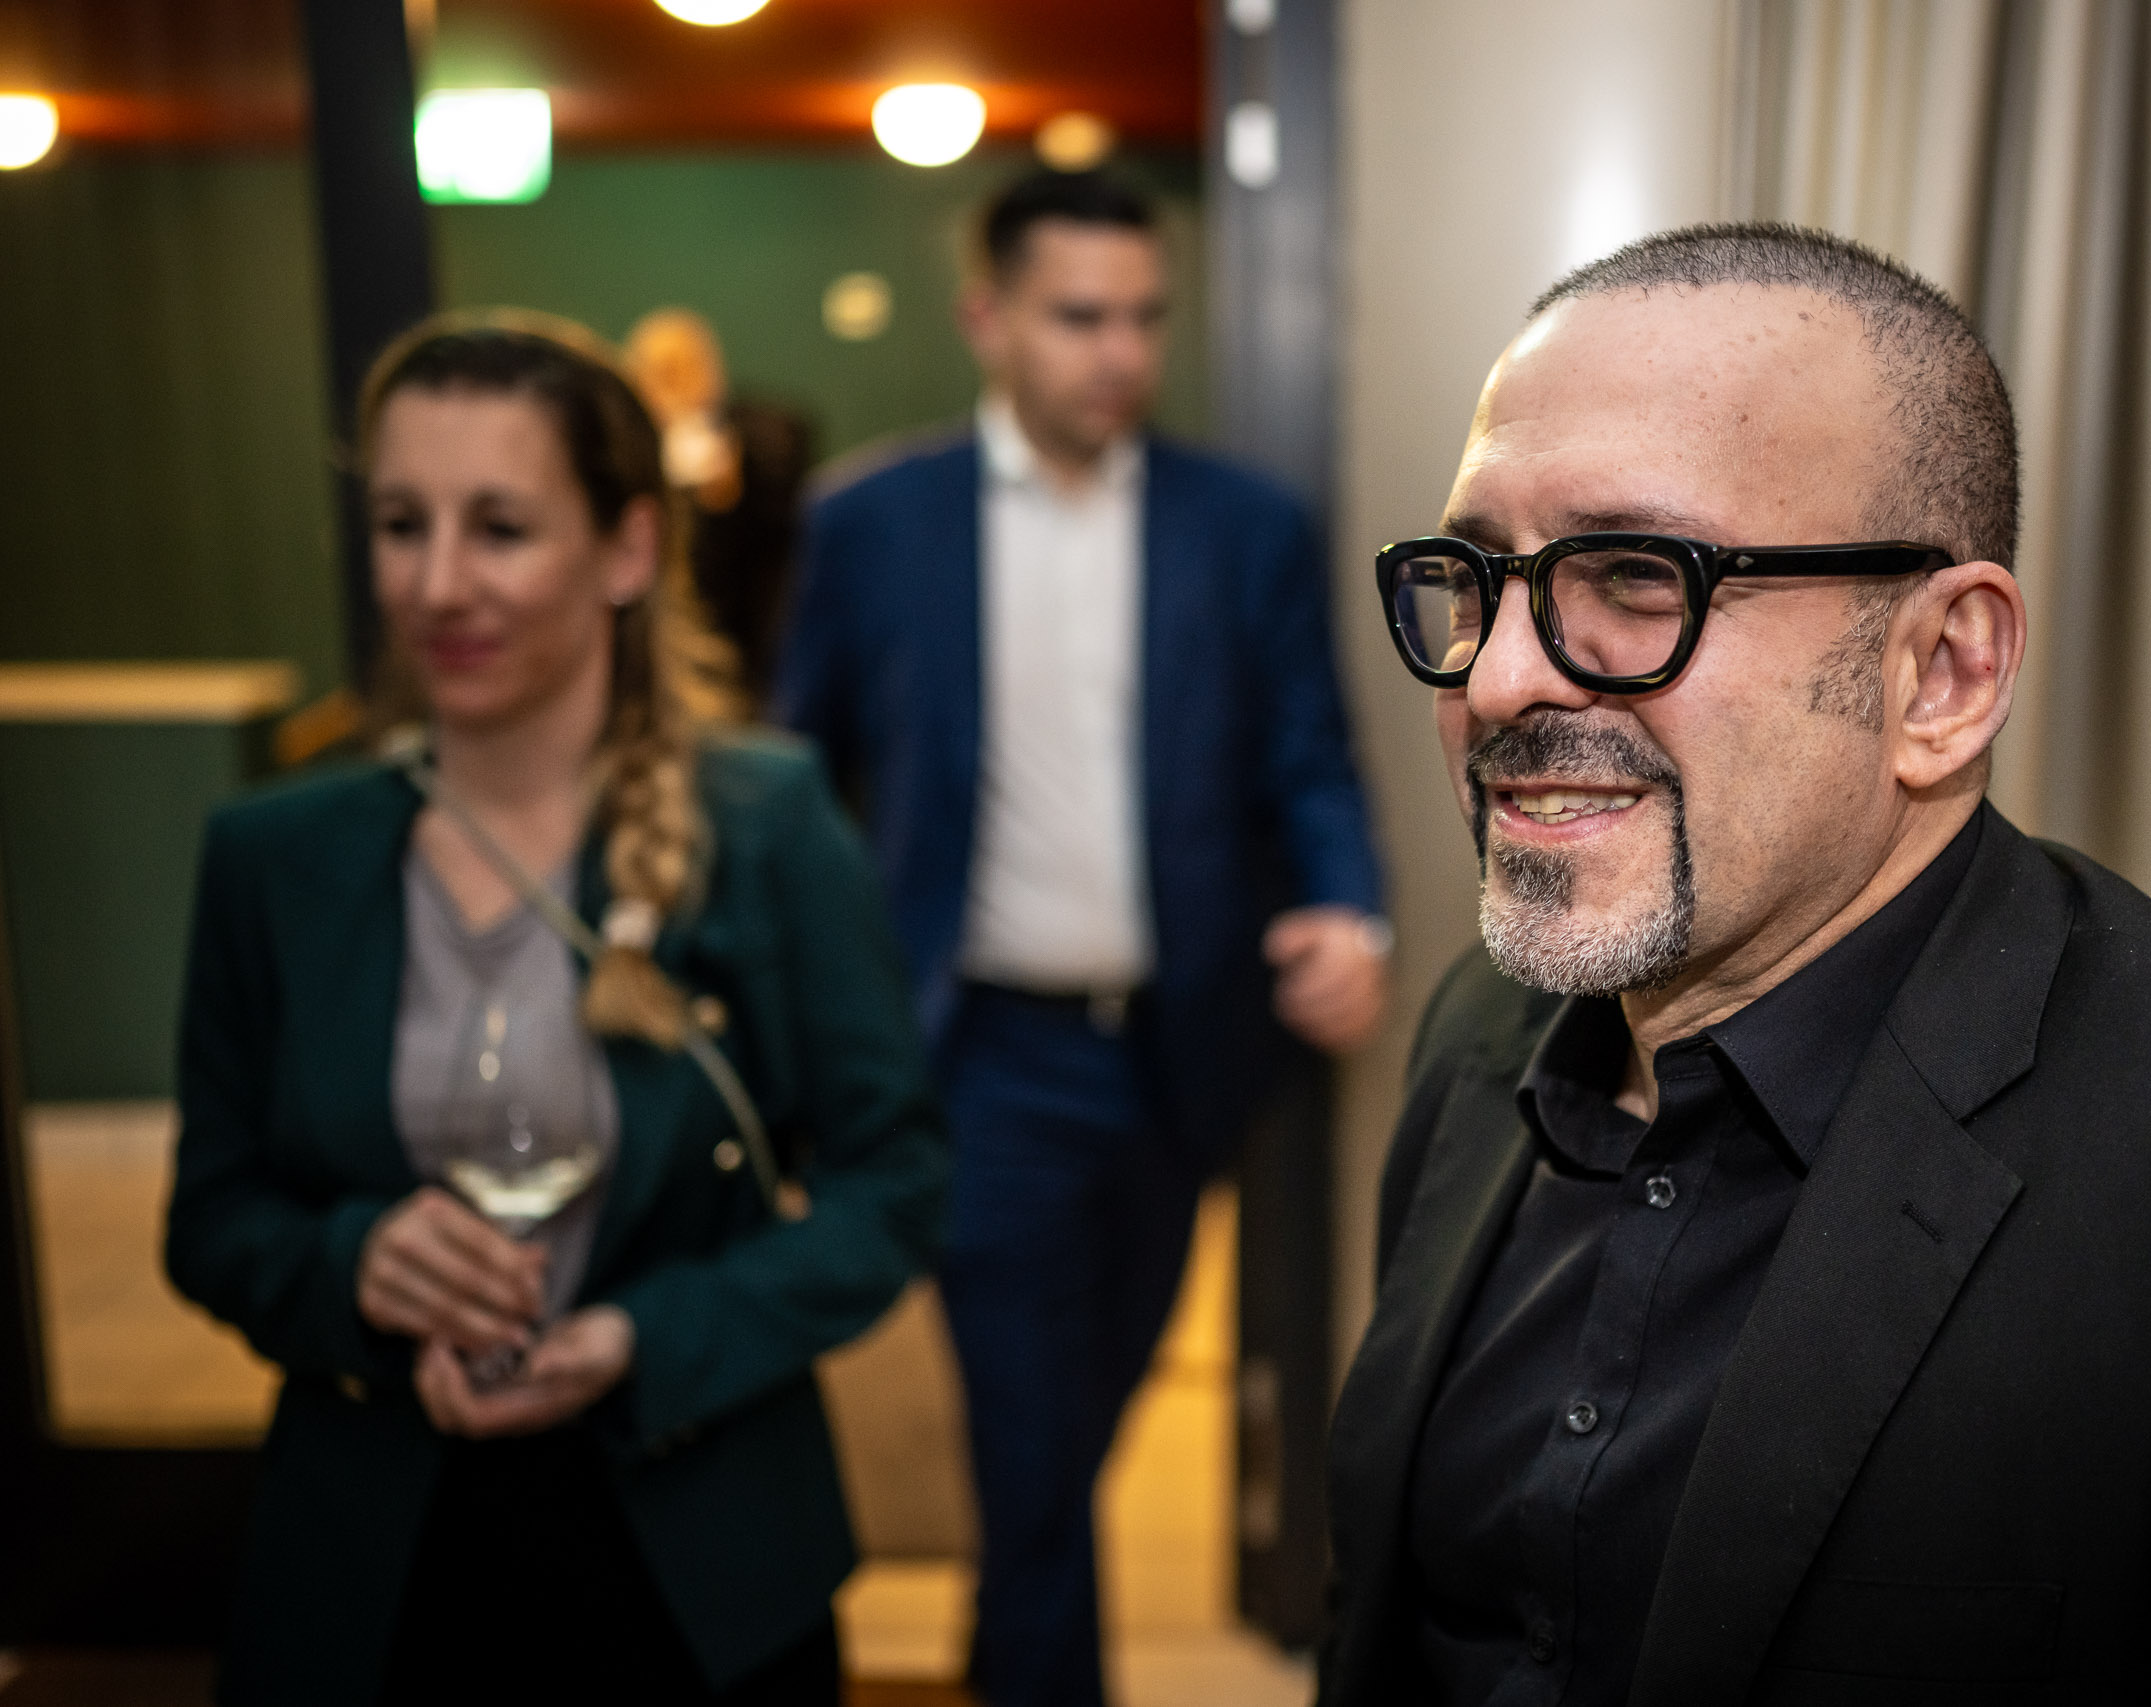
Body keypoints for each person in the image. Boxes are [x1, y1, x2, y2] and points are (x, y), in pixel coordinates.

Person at [1322, 224, 2151, 1703]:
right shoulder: (1479, 1033)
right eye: (1474, 576)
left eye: (1638, 577)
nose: (1500, 675)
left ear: (1946, 673)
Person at [165, 311, 945, 1705]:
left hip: (704, 1562)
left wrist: (646, 1336)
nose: (438, 583)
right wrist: (352, 1262)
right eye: (402, 524)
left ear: (628, 549)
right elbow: (211, 1218)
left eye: (501, 528)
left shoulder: (764, 826)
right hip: (373, 1566)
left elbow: (893, 1189)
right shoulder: (272, 859)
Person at [777, 169, 1388, 1707]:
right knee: (1034, 1439)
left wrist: (1348, 904)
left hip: (1180, 1052)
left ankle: (1006, 1639)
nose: (1120, 351)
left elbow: (1308, 752)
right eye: (1078, 316)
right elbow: (796, 780)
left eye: (1144, 317)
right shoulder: (871, 521)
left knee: (1083, 1413)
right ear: (987, 317)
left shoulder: (1243, 526)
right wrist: (816, 999)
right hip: (980, 1054)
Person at [624, 306, 815, 704]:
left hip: (753, 651)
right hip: (655, 653)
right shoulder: (624, 451)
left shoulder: (764, 435)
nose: (675, 382)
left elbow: (784, 521)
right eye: (662, 371)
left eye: (685, 366)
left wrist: (732, 474)